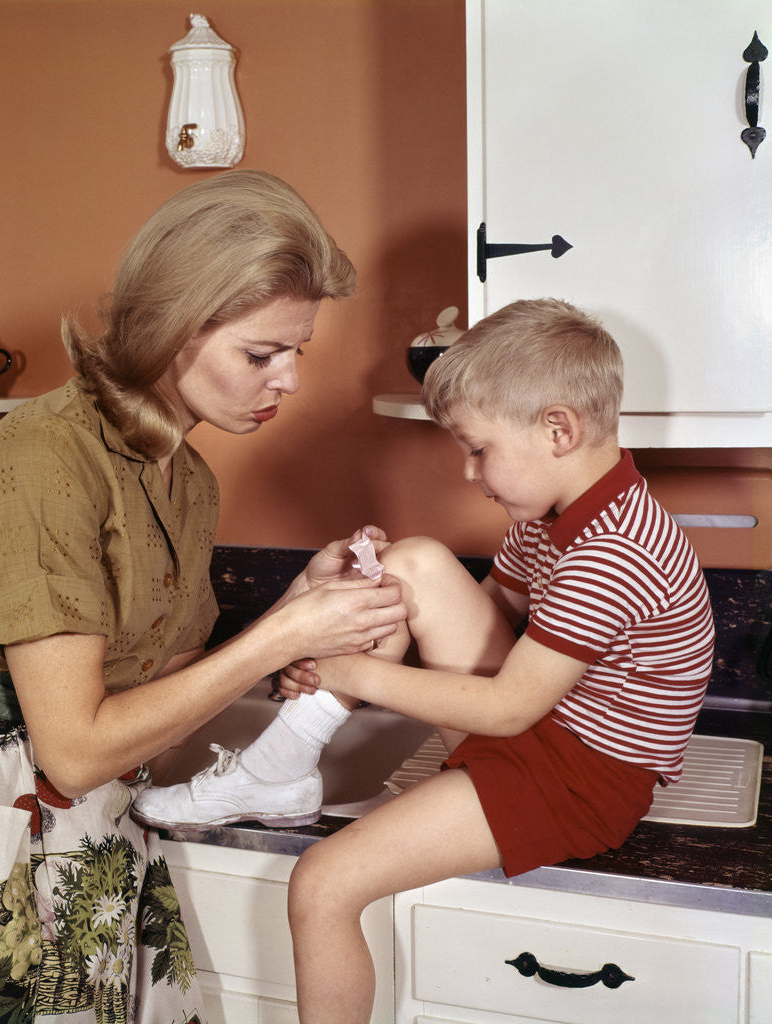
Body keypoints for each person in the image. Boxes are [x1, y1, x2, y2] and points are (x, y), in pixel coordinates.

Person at [0, 169, 406, 1023]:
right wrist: (278, 641)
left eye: (297, 353)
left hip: (96, 846)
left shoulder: (187, 475)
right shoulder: (40, 460)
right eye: (261, 354)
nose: (288, 381)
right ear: (172, 328)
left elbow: (152, 703)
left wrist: (290, 612)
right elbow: (73, 750)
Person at [279, 298, 716, 1024]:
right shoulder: (550, 517)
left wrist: (349, 672)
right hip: (541, 730)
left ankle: (306, 726)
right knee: (414, 558)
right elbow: (489, 613)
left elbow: (506, 705)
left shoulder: (614, 552)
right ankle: (299, 736)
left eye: (477, 448)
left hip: (579, 781)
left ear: (557, 429)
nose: (467, 471)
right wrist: (341, 655)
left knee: (322, 884)